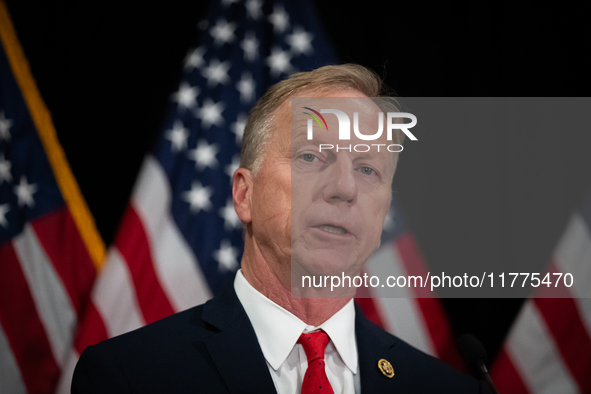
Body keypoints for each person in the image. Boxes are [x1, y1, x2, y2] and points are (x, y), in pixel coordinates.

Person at [72, 64, 486, 393]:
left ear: (384, 213)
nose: (344, 188)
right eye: (310, 157)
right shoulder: (129, 377)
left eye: (366, 169)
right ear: (244, 195)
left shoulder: (450, 389)